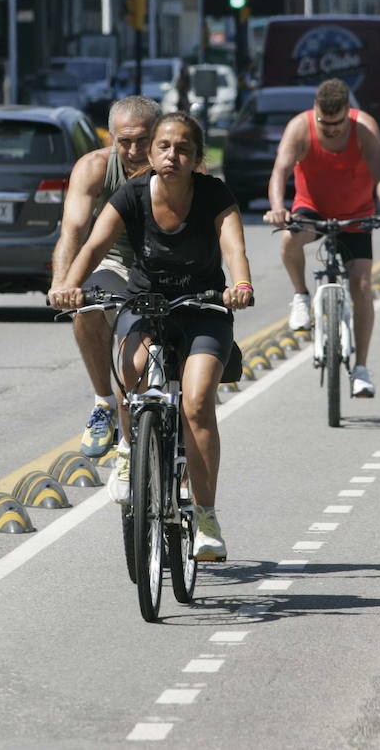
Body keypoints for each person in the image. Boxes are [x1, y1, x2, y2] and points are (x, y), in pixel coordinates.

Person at [50, 112, 253, 561]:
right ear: (152, 152)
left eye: (183, 149)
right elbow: (93, 245)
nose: (171, 156)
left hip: (202, 309)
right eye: (164, 147)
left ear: (198, 157)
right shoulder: (131, 194)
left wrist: (240, 284)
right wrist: (68, 284)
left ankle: (205, 516)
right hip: (144, 305)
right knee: (132, 381)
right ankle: (131, 454)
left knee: (197, 402)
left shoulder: (214, 194)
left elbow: (234, 247)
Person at [265, 78, 380, 397]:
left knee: (362, 284)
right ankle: (300, 295)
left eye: (338, 123)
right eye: (324, 123)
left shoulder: (364, 128)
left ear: (348, 113)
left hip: (356, 214)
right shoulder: (300, 128)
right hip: (312, 209)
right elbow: (279, 171)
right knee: (289, 238)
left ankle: (362, 369)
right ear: (315, 112)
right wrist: (277, 208)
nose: (331, 130)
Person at [49, 96, 158, 459]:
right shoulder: (94, 167)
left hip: (165, 270)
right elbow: (73, 230)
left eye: (142, 140)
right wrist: (63, 284)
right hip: (114, 265)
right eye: (123, 141)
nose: (133, 150)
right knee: (87, 306)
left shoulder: (177, 165)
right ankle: (103, 404)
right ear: (109, 138)